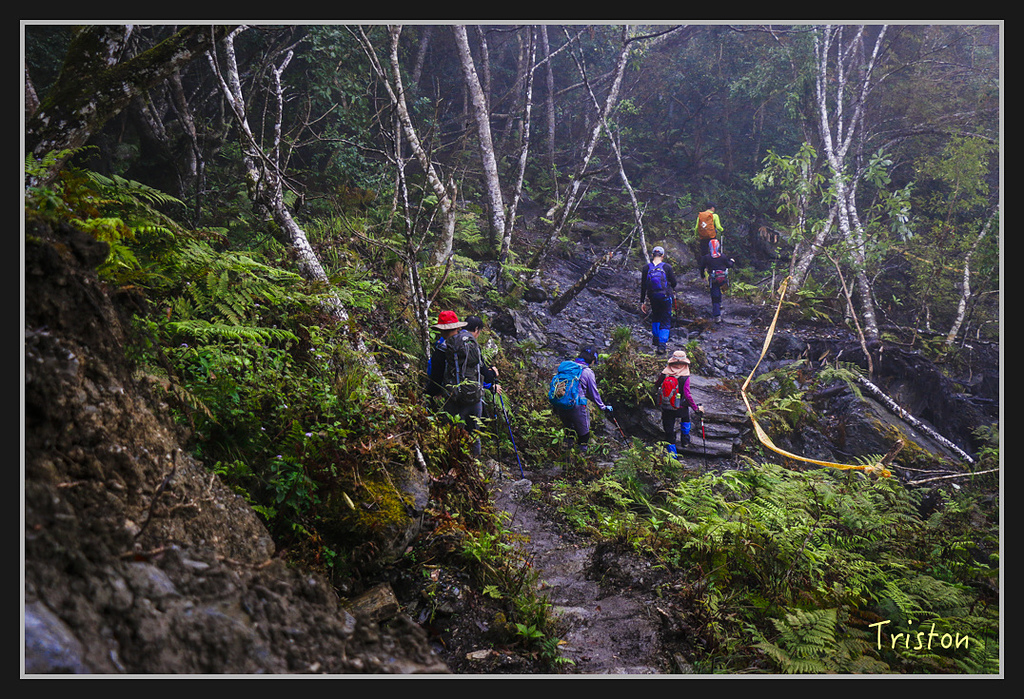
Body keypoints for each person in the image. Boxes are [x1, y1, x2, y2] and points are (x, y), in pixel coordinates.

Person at [442, 314, 498, 456]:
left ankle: (451, 459)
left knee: (452, 432)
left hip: (454, 396)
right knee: (474, 434)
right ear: (477, 330)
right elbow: (484, 373)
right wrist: (493, 374)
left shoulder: (450, 344)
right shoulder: (473, 346)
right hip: (474, 398)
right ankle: (474, 462)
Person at [552, 346, 612, 453]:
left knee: (569, 429)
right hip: (577, 405)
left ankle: (565, 455)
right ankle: (581, 456)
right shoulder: (588, 372)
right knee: (584, 434)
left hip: (560, 403)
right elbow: (594, 393)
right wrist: (603, 407)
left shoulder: (568, 367)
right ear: (592, 360)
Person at [654, 350, 703, 457]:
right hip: (681, 407)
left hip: (667, 406)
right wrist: (695, 408)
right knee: (685, 418)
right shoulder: (685, 376)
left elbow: (657, 384)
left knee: (669, 430)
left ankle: (672, 456)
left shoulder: (665, 373)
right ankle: (685, 440)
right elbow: (687, 395)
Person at [639, 245, 677, 356]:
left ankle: (656, 339)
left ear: (652, 255)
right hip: (665, 296)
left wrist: (642, 302)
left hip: (653, 297)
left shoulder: (646, 268)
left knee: (656, 316)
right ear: (662, 256)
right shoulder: (667, 267)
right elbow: (674, 283)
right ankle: (662, 345)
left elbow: (643, 286)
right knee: (665, 319)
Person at [426, 310, 466, 403]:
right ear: (458, 327)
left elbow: (436, 377)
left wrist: (430, 394)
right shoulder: (469, 344)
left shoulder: (441, 350)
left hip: (450, 397)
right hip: (473, 395)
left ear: (441, 330)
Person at [698, 238, 736, 323]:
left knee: (715, 295)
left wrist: (703, 276)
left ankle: (717, 315)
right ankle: (719, 304)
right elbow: (729, 265)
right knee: (719, 292)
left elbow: (702, 267)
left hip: (713, 279)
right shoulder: (722, 256)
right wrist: (732, 261)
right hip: (722, 278)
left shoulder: (706, 258)